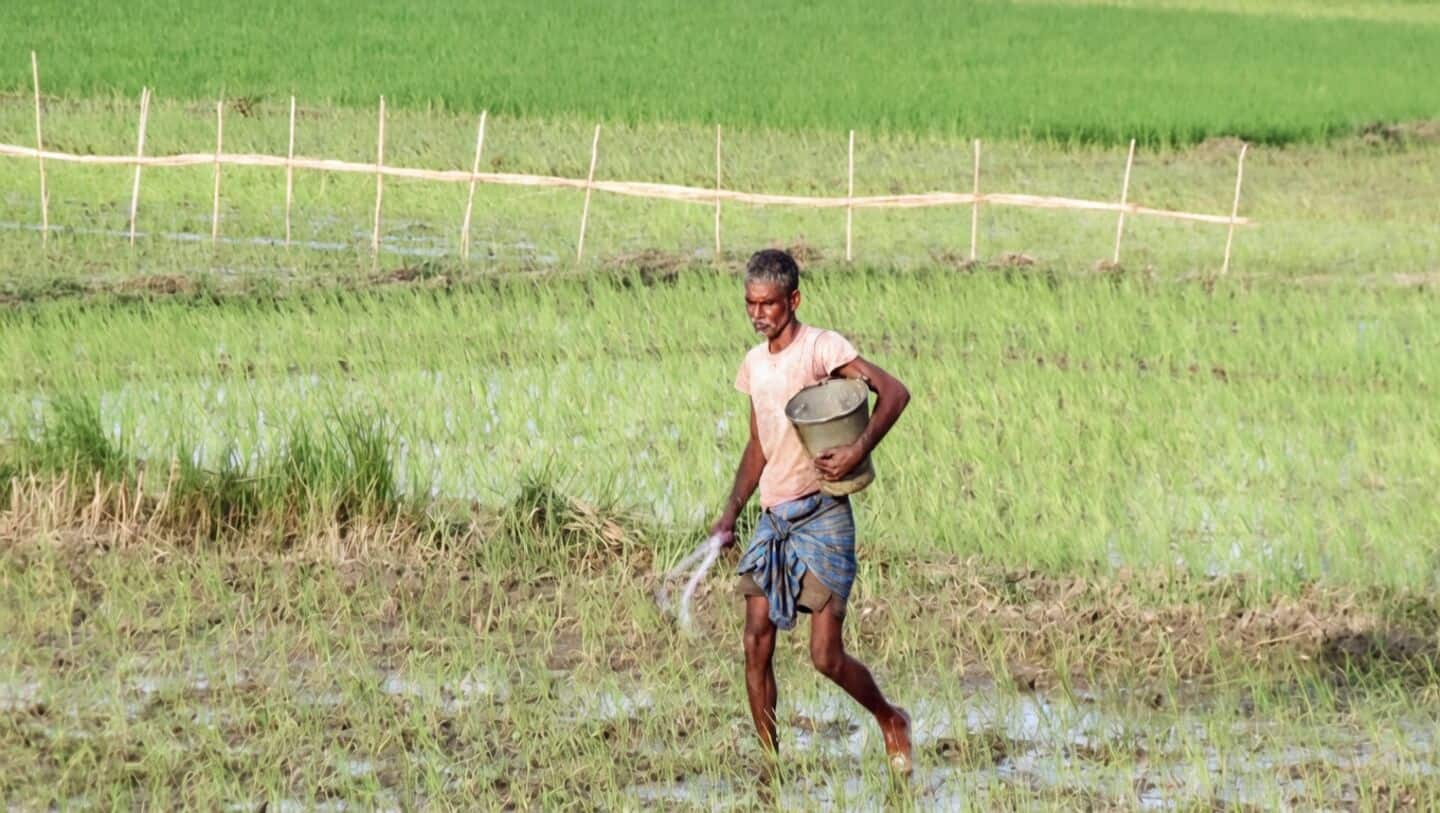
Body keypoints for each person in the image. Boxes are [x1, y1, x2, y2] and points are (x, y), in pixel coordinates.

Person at [709, 248, 914, 773]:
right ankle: (771, 763)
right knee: (755, 643)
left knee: (826, 656)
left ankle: (891, 718)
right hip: (774, 518)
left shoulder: (822, 348)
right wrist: (731, 512)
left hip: (823, 514)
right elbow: (758, 444)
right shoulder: (754, 365)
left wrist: (857, 449)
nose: (758, 314)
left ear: (793, 300)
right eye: (751, 303)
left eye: (769, 304)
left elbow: (894, 392)